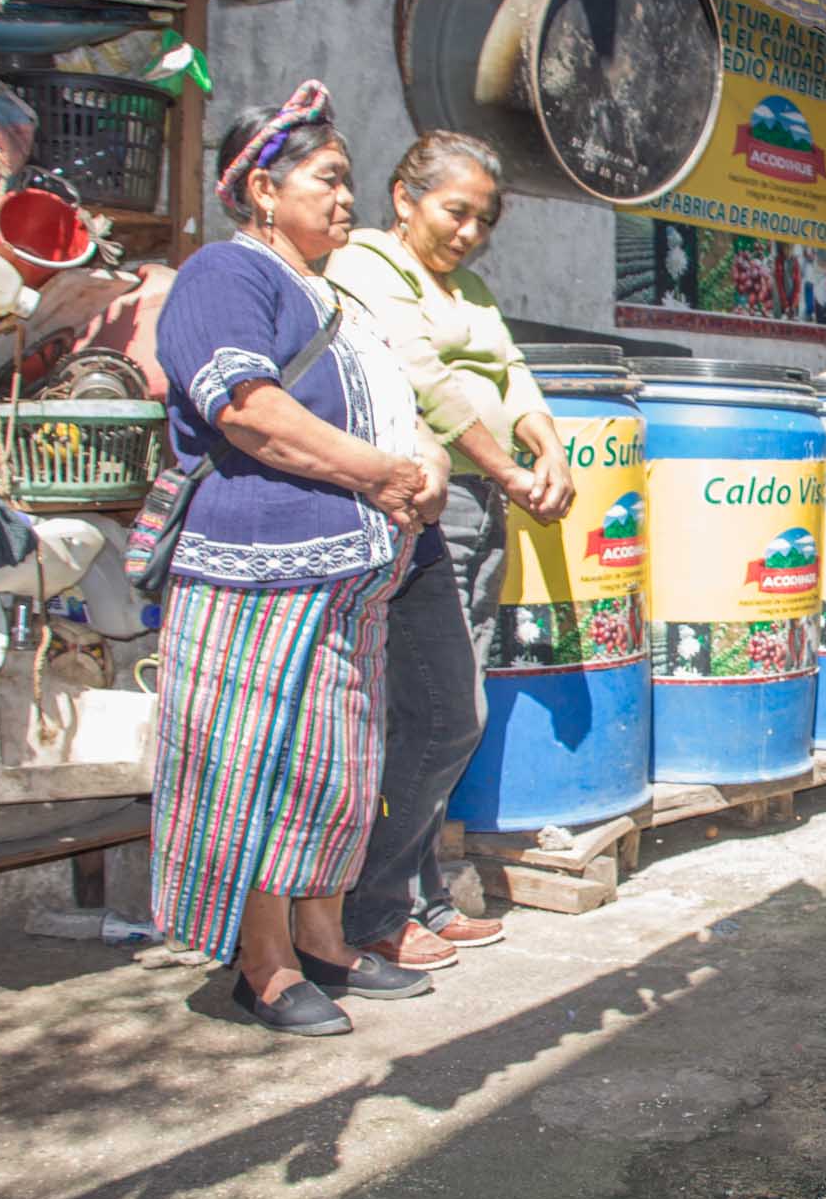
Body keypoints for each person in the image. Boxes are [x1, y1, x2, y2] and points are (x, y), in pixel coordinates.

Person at [150, 81, 447, 1035]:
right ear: (263, 190)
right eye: (327, 179)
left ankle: (322, 936)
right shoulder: (223, 275)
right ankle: (262, 962)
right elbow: (247, 408)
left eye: (349, 179)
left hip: (349, 578)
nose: (346, 196)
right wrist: (385, 476)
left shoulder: (336, 296)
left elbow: (401, 411)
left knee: (333, 767)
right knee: (258, 765)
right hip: (257, 571)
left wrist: (425, 468)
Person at [324, 131, 576, 969]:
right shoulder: (366, 264)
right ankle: (374, 907)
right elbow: (424, 379)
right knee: (436, 714)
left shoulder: (465, 286)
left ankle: (421, 894)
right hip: (422, 507)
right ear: (404, 198)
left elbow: (513, 373)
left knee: (443, 711)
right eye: (454, 211)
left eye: (484, 220)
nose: (469, 232)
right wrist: (508, 468)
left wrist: (551, 449)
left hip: (481, 502)